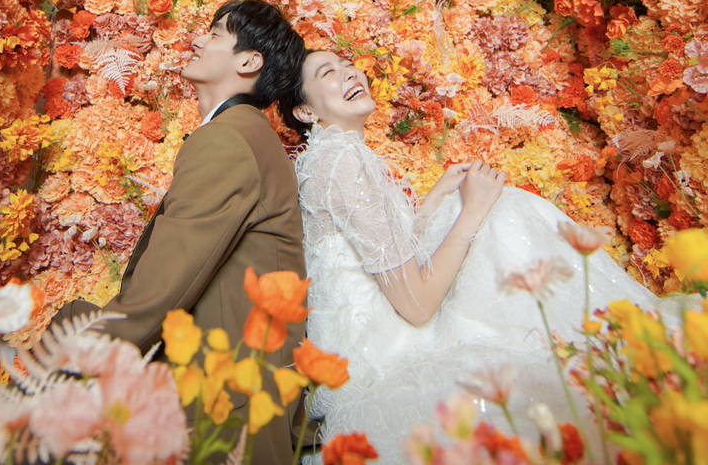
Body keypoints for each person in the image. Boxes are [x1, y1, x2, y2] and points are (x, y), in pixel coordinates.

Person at [279, 49, 681, 465]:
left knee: (491, 210)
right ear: (305, 111)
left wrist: (438, 196)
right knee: (502, 212)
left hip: (381, 330)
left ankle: (610, 339)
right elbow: (416, 305)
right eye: (328, 72)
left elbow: (381, 256)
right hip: (382, 355)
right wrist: (472, 210)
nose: (349, 73)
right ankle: (620, 338)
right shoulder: (341, 161)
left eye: (348, 64)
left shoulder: (335, 155)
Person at [53, 0, 307, 465]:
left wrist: (66, 361)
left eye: (215, 35)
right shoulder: (245, 134)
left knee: (66, 335)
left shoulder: (229, 139)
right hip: (239, 390)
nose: (197, 41)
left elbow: (161, 292)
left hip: (221, 410)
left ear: (249, 62)